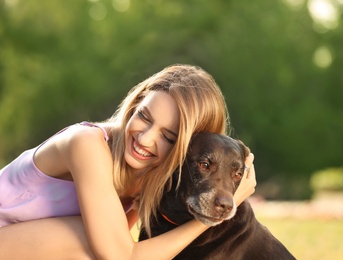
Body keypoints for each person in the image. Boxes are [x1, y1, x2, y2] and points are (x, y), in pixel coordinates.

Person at [0, 64, 256, 259]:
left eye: (168, 136)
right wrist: (208, 220)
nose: (145, 139)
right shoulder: (86, 144)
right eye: (144, 117)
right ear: (135, 104)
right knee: (90, 237)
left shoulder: (149, 175)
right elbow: (121, 255)